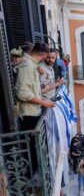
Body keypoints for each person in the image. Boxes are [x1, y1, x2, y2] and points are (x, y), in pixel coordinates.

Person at [15, 42, 54, 174]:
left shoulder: (32, 65)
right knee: (31, 151)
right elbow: (22, 93)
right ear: (43, 56)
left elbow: (31, 90)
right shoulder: (28, 66)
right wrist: (44, 103)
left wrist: (41, 99)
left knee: (34, 149)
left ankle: (32, 175)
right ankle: (29, 179)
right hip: (28, 114)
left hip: (32, 112)